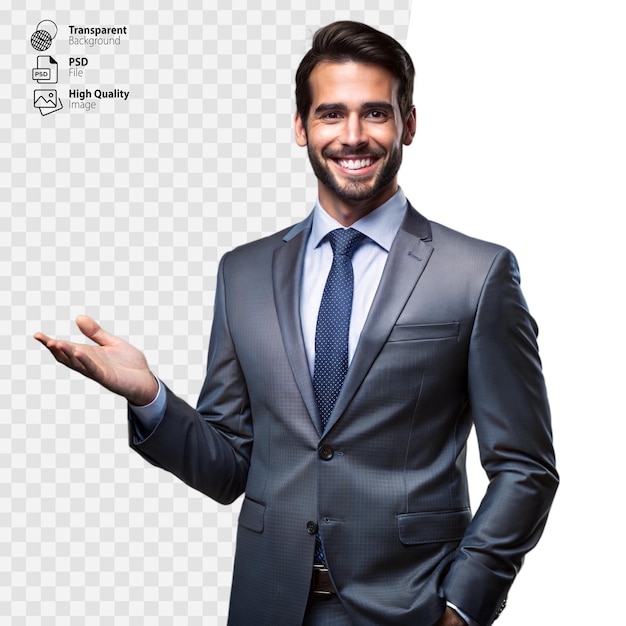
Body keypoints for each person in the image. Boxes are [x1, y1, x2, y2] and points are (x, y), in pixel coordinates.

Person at [35, 21, 558, 626]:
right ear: (300, 126)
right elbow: (230, 466)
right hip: (267, 605)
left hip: (412, 609)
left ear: (408, 123)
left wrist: (462, 608)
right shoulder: (244, 273)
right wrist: (150, 396)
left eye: (376, 114)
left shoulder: (477, 273)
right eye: (331, 114)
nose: (353, 136)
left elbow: (526, 469)